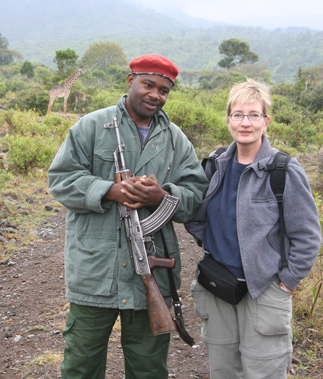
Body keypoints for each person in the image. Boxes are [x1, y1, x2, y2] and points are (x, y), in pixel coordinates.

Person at [47, 54, 208, 378]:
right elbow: (60, 180)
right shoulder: (91, 126)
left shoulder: (176, 139)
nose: (155, 95)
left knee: (148, 368)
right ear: (130, 81)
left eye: (164, 90)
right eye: (148, 84)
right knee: (81, 364)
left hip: (152, 271)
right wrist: (109, 190)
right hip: (95, 270)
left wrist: (162, 195)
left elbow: (196, 193)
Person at [185, 79, 322, 379]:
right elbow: (195, 215)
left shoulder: (283, 170)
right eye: (238, 114)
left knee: (264, 372)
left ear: (266, 121)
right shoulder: (215, 165)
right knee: (223, 371)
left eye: (253, 115)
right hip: (218, 287)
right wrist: (210, 244)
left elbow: (308, 236)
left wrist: (285, 284)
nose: (245, 122)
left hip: (264, 291)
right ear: (228, 119)